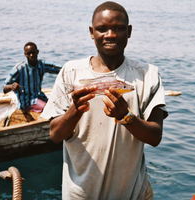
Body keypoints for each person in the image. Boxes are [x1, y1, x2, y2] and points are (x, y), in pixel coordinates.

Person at [41, 1, 168, 199]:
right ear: (92, 32)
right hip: (80, 194)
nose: (110, 34)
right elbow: (55, 135)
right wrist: (75, 110)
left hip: (132, 194)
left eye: (118, 28)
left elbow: (155, 137)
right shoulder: (71, 72)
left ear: (129, 31)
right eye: (102, 29)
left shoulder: (148, 74)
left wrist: (126, 117)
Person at [3, 42, 61, 119]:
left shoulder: (41, 65)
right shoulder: (19, 69)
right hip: (27, 103)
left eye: (33, 52)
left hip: (40, 97)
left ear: (37, 52)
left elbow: (59, 69)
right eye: (29, 53)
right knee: (49, 110)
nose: (31, 55)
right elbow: (4, 88)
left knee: (60, 106)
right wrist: (12, 86)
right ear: (25, 54)